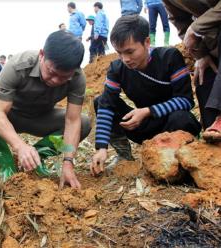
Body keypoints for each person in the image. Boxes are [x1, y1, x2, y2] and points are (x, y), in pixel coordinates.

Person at [0, 31, 91, 188]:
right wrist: (20, 146)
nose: (55, 81)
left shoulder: (77, 78)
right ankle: (7, 168)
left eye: (63, 77)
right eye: (51, 72)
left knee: (84, 122)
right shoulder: (17, 66)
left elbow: (72, 120)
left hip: (40, 118)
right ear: (42, 54)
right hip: (9, 116)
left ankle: (36, 158)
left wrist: (68, 163)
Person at [90, 15, 201, 175]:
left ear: (147, 42)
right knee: (100, 101)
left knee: (182, 117)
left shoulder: (169, 57)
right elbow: (106, 105)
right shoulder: (117, 68)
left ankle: (180, 156)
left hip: (171, 125)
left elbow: (186, 101)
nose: (125, 59)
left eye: (129, 51)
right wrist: (101, 147)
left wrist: (148, 111)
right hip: (143, 127)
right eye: (119, 53)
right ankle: (123, 155)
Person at [163, 0, 221, 142]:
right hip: (211, 41)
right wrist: (200, 54)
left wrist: (197, 27)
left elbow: (192, 29)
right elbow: (179, 20)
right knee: (203, 77)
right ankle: (212, 134)